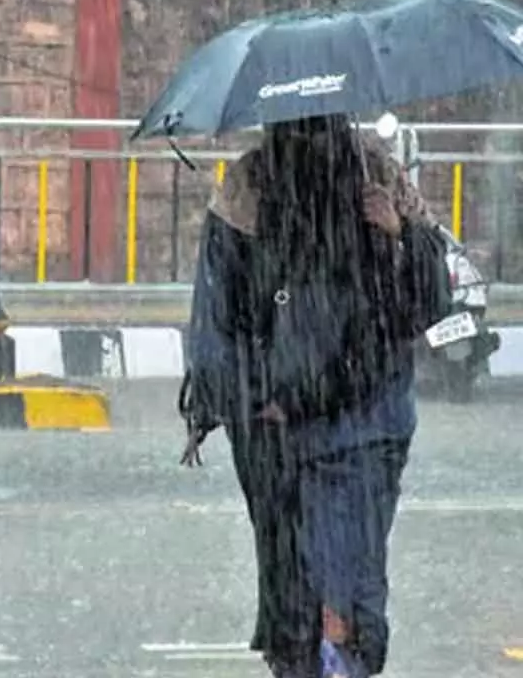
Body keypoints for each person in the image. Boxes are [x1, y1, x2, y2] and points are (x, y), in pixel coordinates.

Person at [177, 114, 451, 678]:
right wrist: (245, 400)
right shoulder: (251, 189)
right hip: (281, 432)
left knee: (342, 590)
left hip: (361, 425)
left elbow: (426, 302)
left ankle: (337, 650)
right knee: (298, 595)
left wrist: (401, 231)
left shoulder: (378, 176)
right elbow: (217, 323)